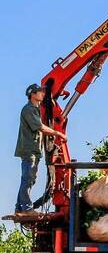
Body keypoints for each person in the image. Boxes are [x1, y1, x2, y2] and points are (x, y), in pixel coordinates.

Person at [14, 84, 66, 216]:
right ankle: (26, 208)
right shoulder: (29, 110)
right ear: (33, 94)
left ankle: (20, 207)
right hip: (29, 149)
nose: (43, 94)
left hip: (34, 150)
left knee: (29, 178)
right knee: (28, 178)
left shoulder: (35, 109)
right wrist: (58, 133)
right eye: (40, 92)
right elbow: (40, 127)